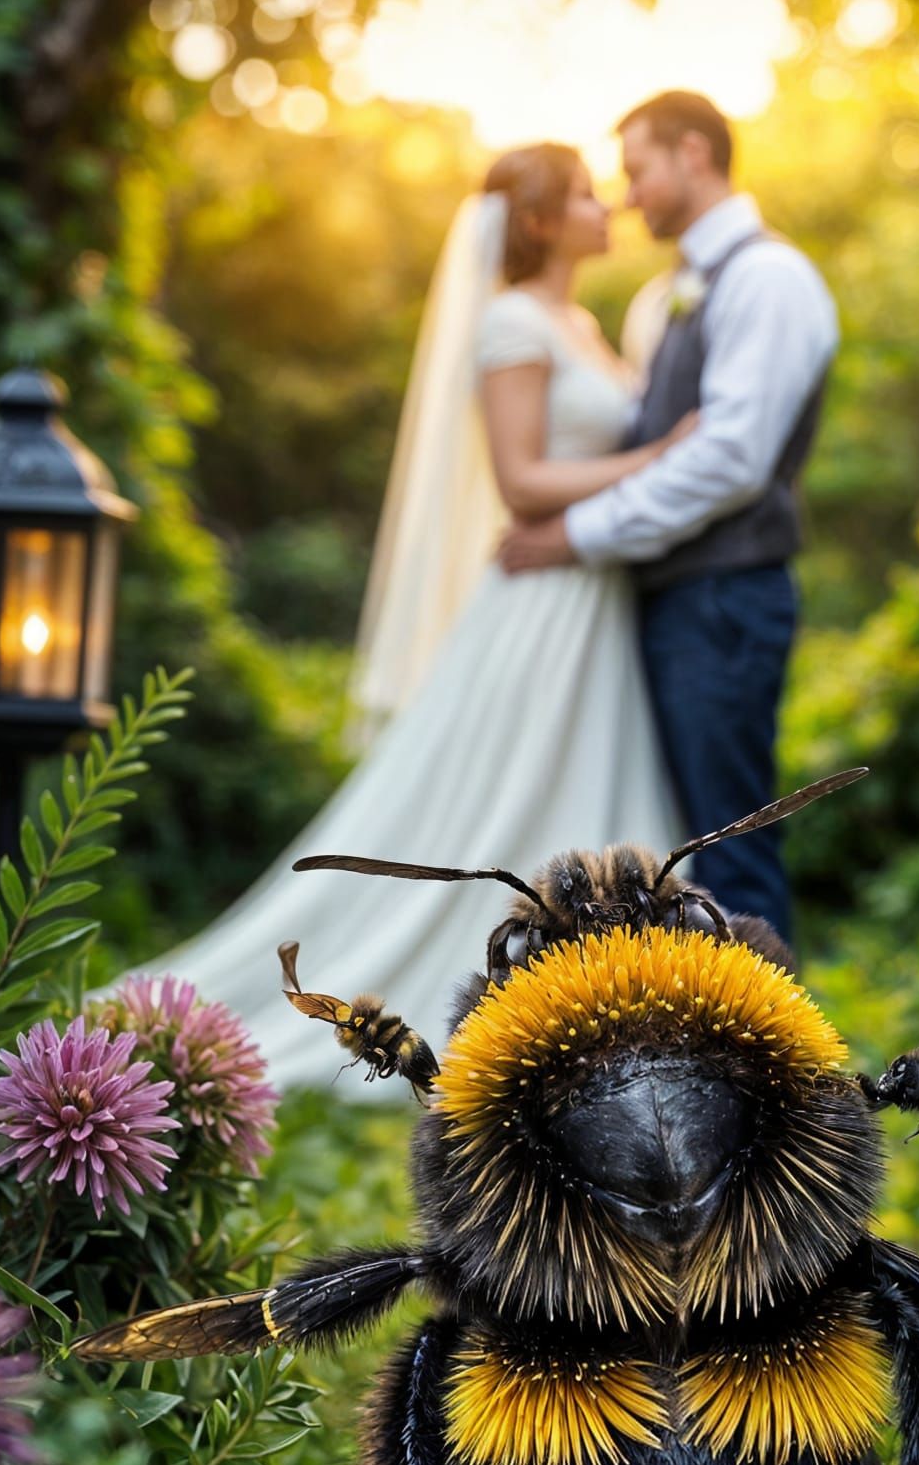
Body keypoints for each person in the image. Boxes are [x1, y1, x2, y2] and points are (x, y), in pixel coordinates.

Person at [140, 144, 685, 1089]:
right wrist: (662, 456)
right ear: (544, 222)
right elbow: (522, 481)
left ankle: (607, 984)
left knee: (583, 779)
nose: (609, 209)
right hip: (542, 598)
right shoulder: (513, 322)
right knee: (518, 791)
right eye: (588, 196)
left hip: (593, 594)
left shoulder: (581, 321)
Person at [500, 91, 839, 944]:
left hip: (725, 598)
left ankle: (781, 1063)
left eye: (638, 169)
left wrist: (574, 535)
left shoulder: (769, 278)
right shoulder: (663, 298)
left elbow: (730, 461)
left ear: (694, 153)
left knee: (733, 840)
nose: (625, 194)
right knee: (685, 841)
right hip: (665, 601)